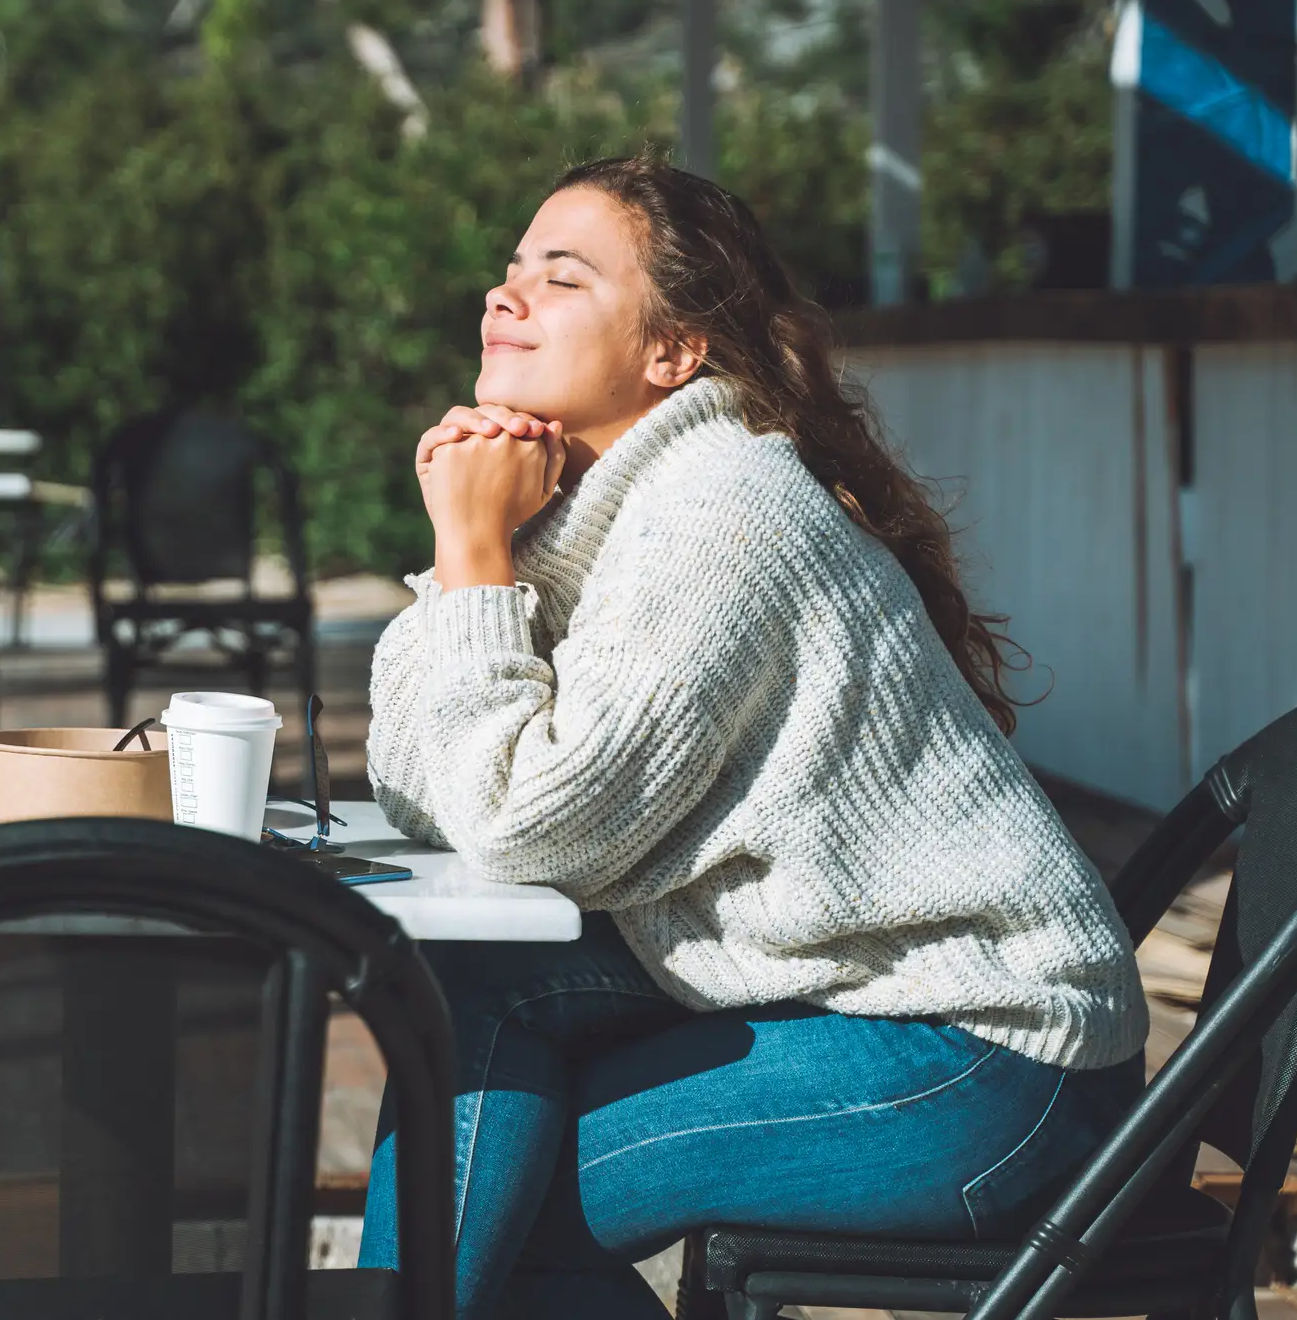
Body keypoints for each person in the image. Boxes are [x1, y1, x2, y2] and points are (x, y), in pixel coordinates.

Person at [357, 155, 1148, 1319]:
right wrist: (486, 557)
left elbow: (520, 823)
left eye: (561, 277)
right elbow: (422, 781)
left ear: (671, 353)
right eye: (509, 269)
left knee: (492, 1197)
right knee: (477, 993)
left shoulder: (720, 515)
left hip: (985, 1062)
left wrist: (473, 559)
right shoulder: (606, 516)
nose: (502, 296)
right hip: (846, 1002)